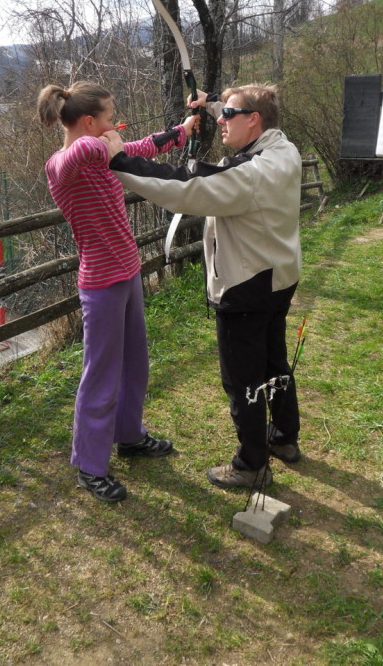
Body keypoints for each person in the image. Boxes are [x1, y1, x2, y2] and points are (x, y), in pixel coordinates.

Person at [104, 84, 302, 490]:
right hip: (279, 277)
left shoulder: (250, 174)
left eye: (229, 114)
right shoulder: (283, 149)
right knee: (273, 362)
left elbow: (187, 184)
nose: (222, 120)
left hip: (246, 286)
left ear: (254, 120)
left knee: (243, 379)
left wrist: (119, 160)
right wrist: (211, 104)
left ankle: (251, 464)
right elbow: (233, 118)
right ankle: (284, 437)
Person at [37, 80, 195, 503]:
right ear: (89, 122)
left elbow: (139, 148)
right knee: (101, 376)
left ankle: (129, 436)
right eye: (109, 117)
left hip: (127, 274)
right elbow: (79, 153)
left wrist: (182, 130)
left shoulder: (105, 154)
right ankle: (90, 466)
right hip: (101, 286)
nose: (115, 124)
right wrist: (106, 143)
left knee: (135, 365)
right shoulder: (63, 165)